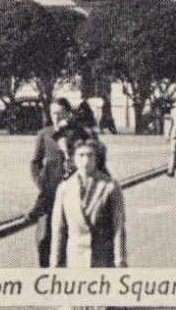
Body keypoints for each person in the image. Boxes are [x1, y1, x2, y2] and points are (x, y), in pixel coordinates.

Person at [29, 98, 95, 267]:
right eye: (52, 113)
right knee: (44, 237)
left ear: (67, 113)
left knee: (69, 235)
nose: (55, 117)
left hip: (72, 192)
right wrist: (40, 182)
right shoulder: (44, 134)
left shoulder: (80, 134)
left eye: (59, 113)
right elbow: (35, 162)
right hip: (50, 192)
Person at [51, 137, 127, 268]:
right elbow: (58, 229)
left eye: (90, 155)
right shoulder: (64, 188)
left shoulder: (110, 186)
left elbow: (118, 228)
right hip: (75, 260)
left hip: (103, 260)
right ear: (74, 158)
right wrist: (55, 263)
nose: (85, 160)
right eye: (81, 155)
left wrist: (120, 260)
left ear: (96, 158)